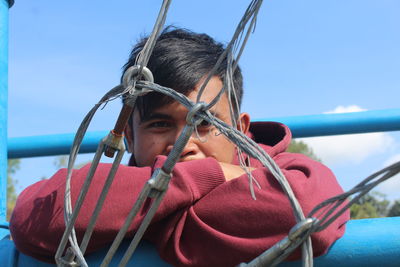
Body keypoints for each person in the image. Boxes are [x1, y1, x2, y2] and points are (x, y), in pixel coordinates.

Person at [10, 27, 349, 267]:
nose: (183, 144)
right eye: (159, 124)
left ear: (241, 129)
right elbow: (33, 217)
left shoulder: (283, 170)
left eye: (205, 123)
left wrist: (144, 221)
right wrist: (209, 176)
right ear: (129, 136)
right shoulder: (118, 179)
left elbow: (308, 209)